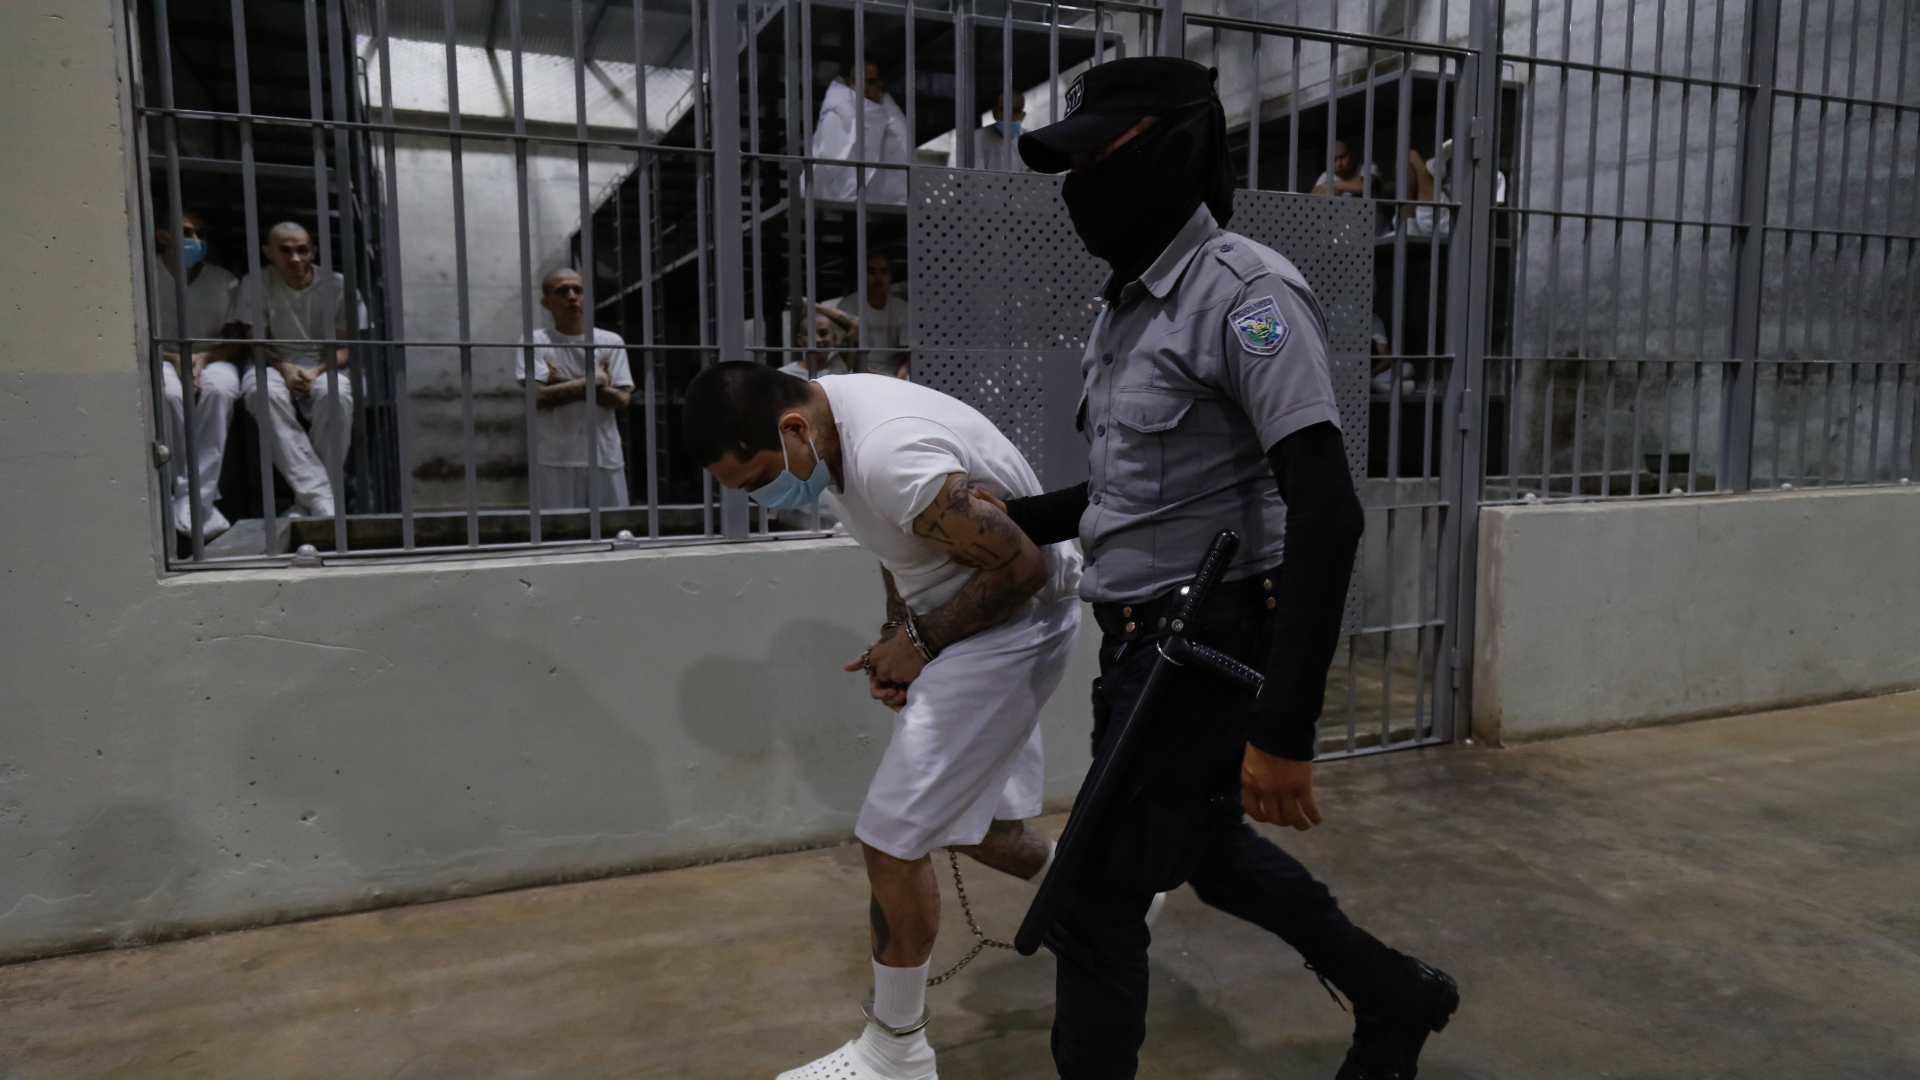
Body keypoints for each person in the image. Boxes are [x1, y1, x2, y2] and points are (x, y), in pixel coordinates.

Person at [1013, 57, 1459, 1079]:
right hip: (1142, 645)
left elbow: (1328, 505)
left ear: (1175, 149)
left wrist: (1285, 725)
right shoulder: (1126, 307)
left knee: (1093, 899)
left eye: (1100, 157)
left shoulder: (1246, 296)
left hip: (1200, 647)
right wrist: (1014, 517)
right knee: (1207, 855)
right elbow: (1134, 491)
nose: (1080, 185)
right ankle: (1396, 994)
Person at [682, 363, 1084, 1080]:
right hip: (967, 621)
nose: (762, 498)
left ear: (793, 429)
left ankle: (896, 1051)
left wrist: (922, 642)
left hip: (1011, 621)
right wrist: (900, 634)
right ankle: (1102, 907)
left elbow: (1021, 569)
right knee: (981, 827)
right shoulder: (828, 425)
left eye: (758, 480)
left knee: (892, 842)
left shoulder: (890, 453)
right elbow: (900, 544)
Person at [234, 221, 358, 519]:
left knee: (336, 396)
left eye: (302, 250)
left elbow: (346, 348)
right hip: (273, 362)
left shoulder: (338, 285)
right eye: (285, 251)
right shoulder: (256, 282)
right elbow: (255, 341)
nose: (295, 258)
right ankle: (322, 497)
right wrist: (286, 369)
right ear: (268, 253)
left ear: (313, 251)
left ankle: (308, 502)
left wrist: (315, 371)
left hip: (323, 365)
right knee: (260, 394)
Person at [152, 210, 242, 539]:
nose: (196, 240)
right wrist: (172, 357)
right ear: (163, 236)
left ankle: (193, 500)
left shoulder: (224, 280)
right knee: (169, 395)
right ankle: (194, 503)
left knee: (221, 390)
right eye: (187, 232)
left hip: (211, 355)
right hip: (158, 355)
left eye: (201, 234)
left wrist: (205, 357)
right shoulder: (144, 273)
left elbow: (237, 342)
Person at [517, 268, 633, 510]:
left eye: (578, 290)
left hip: (604, 455)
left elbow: (621, 399)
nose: (572, 296)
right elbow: (538, 398)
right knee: (558, 538)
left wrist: (557, 379)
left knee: (612, 532)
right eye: (562, 291)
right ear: (546, 302)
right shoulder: (535, 340)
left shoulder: (610, 341)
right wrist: (596, 380)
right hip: (554, 458)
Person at [812, 60, 912, 205]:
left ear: (880, 85)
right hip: (837, 201)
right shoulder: (835, 112)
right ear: (848, 83)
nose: (864, 88)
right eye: (858, 81)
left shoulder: (895, 122)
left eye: (870, 82)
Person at [828, 252, 911, 378]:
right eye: (871, 271)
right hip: (856, 375)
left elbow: (907, 353)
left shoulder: (902, 308)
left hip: (892, 376)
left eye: (883, 272)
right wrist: (880, 379)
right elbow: (847, 355)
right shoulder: (848, 306)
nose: (878, 277)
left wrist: (900, 379)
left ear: (891, 277)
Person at [962, 91, 1030, 173]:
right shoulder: (978, 138)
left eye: (1016, 110)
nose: (1009, 115)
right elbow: (976, 176)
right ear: (994, 113)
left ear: (1023, 115)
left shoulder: (1030, 141)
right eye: (1004, 109)